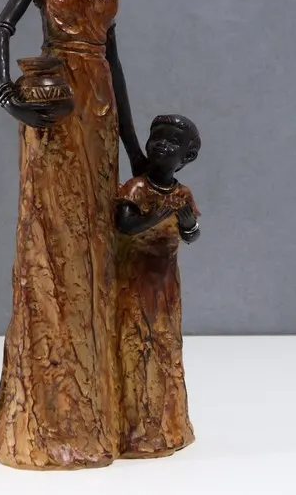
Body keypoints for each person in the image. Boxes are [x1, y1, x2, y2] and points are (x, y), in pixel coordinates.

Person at [0, 0, 146, 470]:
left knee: (95, 245)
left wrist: (133, 146)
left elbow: (115, 59)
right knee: (54, 245)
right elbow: (2, 25)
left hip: (98, 117)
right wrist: (8, 95)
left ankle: (95, 408)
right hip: (56, 116)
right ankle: (49, 415)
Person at [114, 114, 201, 458]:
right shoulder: (137, 188)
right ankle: (131, 425)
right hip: (133, 280)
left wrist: (188, 223)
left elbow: (192, 236)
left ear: (187, 157)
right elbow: (124, 225)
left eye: (172, 143)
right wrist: (159, 214)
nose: (162, 146)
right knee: (134, 343)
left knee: (163, 346)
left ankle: (166, 424)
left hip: (164, 285)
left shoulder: (182, 194)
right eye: (157, 138)